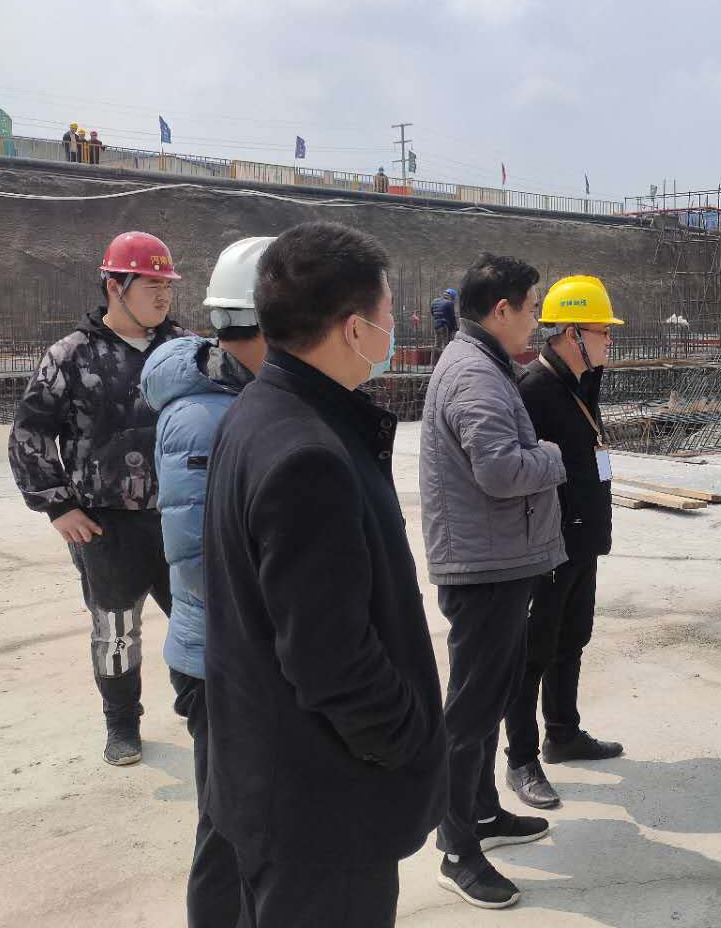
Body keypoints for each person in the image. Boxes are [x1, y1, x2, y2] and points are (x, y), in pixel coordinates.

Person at [201, 222, 446, 927]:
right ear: (354, 328)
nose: (394, 329)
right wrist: (408, 739)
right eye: (389, 313)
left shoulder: (259, 412)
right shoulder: (308, 455)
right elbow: (330, 658)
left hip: (268, 782)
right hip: (320, 808)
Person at [420, 254, 563, 909]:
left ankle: (480, 812)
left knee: (489, 698)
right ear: (501, 310)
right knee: (471, 712)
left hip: (497, 558)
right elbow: (502, 471)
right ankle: (456, 848)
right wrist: (553, 457)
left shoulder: (484, 362)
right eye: (531, 307)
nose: (536, 319)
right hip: (483, 567)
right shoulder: (475, 374)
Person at [8, 232, 183, 766]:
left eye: (167, 286)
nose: (163, 295)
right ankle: (122, 724)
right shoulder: (71, 356)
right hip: (106, 524)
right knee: (115, 630)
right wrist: (58, 505)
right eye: (150, 285)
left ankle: (206, 710)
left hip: (180, 516)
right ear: (114, 286)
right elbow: (30, 432)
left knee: (203, 621)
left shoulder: (186, 351)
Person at [140, 236, 272, 926]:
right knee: (226, 831)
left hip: (242, 654)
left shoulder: (242, 396)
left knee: (253, 823)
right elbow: (197, 561)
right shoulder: (204, 416)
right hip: (219, 659)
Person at [504, 275, 626, 812]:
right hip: (549, 545)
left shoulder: (580, 380)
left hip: (583, 538)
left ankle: (563, 732)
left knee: (572, 637)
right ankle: (521, 758)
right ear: (573, 333)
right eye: (602, 332)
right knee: (533, 652)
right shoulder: (534, 390)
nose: (609, 341)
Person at [431, 286, 457, 351]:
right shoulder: (449, 303)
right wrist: (454, 327)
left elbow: (432, 313)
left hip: (436, 325)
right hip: (444, 326)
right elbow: (452, 317)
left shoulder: (434, 301)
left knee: (437, 344)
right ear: (451, 296)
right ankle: (445, 357)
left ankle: (434, 357)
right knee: (446, 344)